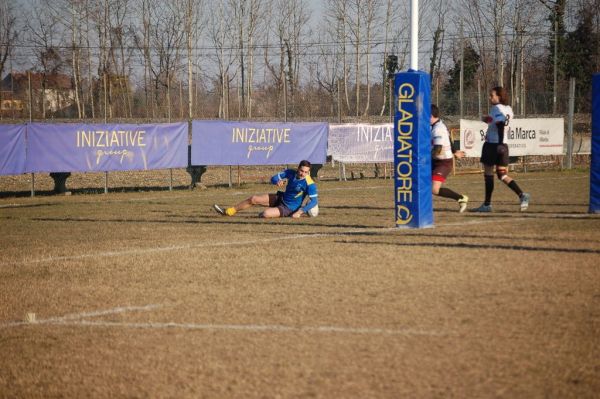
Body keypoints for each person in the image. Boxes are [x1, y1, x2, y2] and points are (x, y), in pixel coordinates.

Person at [472, 86, 530, 212]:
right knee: (502, 174)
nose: (490, 97)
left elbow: (500, 124)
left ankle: (487, 205)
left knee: (488, 174)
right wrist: (486, 119)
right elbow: (495, 120)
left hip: (493, 145)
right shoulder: (508, 109)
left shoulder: (497, 108)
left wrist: (498, 143)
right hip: (504, 145)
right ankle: (522, 195)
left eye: (492, 95)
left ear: (499, 96)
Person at [213, 160, 319, 219]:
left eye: (306, 172)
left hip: (289, 208)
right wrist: (277, 181)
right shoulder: (290, 173)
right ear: (298, 168)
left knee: (265, 214)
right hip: (281, 198)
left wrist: (300, 212)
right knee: (253, 199)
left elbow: (314, 201)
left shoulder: (310, 184)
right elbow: (273, 178)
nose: (303, 174)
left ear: (308, 172)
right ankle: (228, 212)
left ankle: (255, 218)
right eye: (301, 171)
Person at [430, 104, 469, 213]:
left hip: (443, 162)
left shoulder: (438, 129)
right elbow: (449, 139)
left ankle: (461, 198)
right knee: (423, 184)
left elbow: (438, 149)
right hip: (435, 160)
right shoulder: (436, 125)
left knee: (434, 189)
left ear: (430, 115)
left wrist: (424, 160)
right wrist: (455, 150)